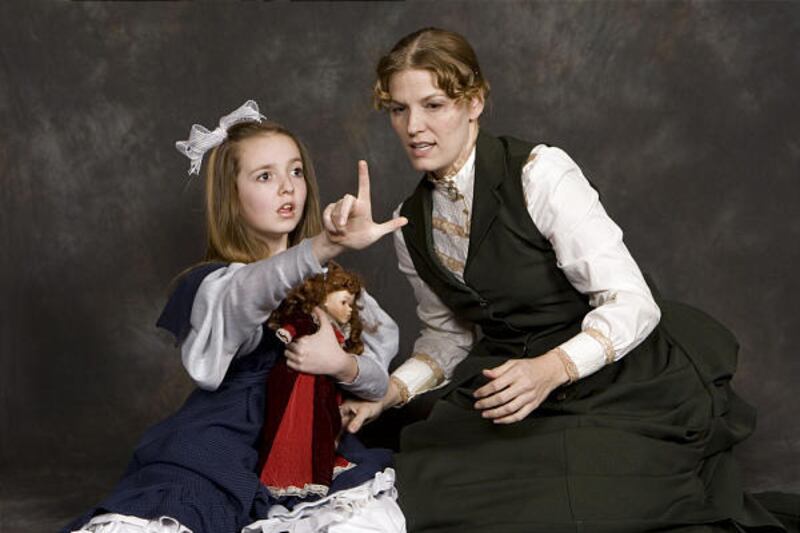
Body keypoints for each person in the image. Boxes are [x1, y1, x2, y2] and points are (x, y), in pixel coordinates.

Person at [332, 28, 786, 532]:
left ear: (474, 102)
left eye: (433, 105)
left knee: (577, 504)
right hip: (512, 385)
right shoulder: (408, 223)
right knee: (430, 498)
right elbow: (449, 335)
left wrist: (551, 369)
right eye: (399, 110)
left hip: (615, 377)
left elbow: (633, 302)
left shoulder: (540, 173)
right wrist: (391, 392)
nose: (414, 126)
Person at [63, 100, 407, 533]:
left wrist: (340, 364)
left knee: (362, 523)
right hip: (220, 440)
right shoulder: (216, 283)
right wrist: (323, 245)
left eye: (296, 171)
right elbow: (252, 292)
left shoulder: (335, 286)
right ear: (232, 196)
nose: (287, 188)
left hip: (307, 446)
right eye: (265, 176)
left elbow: (375, 380)